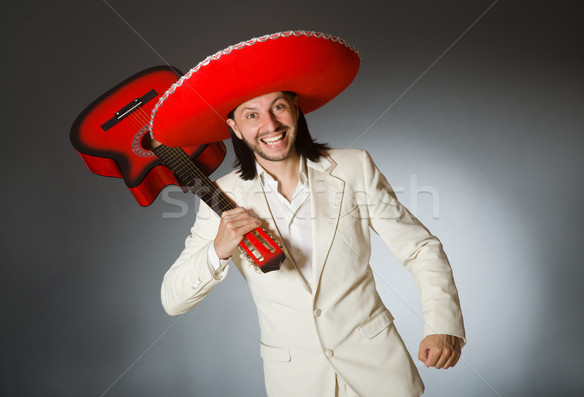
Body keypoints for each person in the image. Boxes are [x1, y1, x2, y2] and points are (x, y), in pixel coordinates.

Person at [152, 30, 465, 397]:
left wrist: (444, 325)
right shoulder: (222, 196)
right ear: (234, 127)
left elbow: (420, 248)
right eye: (252, 115)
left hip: (380, 373)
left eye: (278, 107)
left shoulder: (353, 168)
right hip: (296, 382)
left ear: (296, 109)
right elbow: (172, 300)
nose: (269, 125)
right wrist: (217, 250)